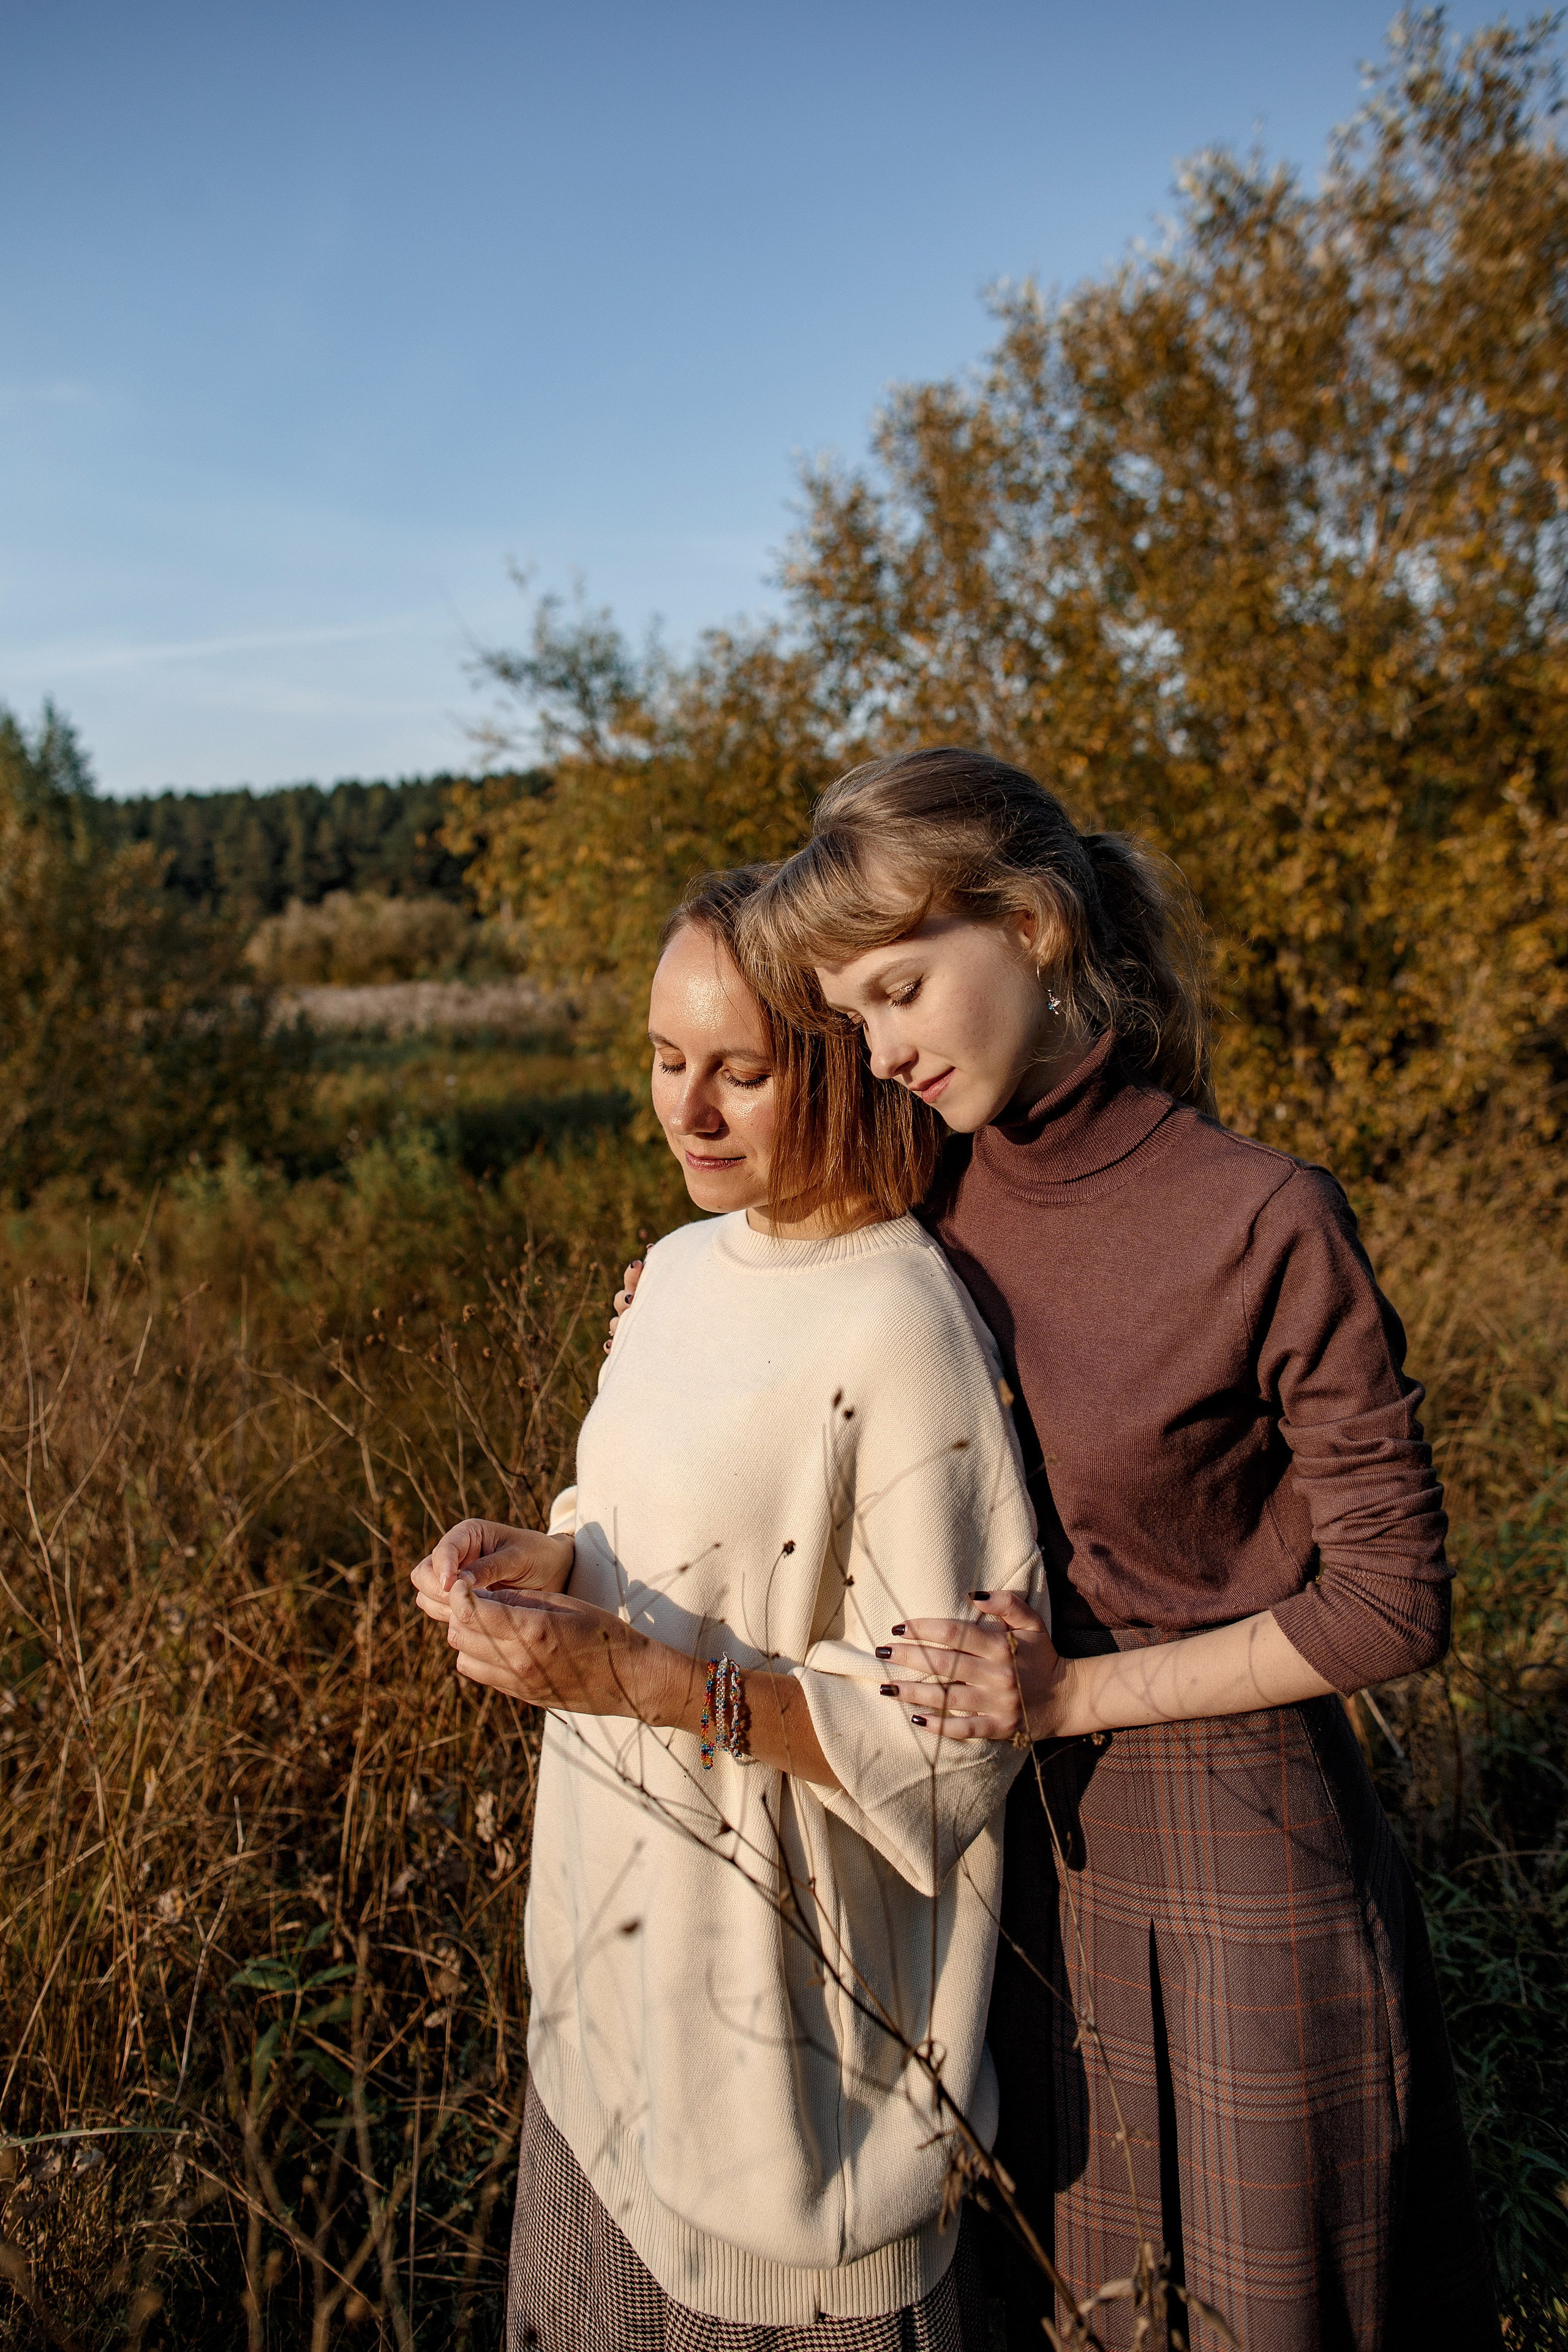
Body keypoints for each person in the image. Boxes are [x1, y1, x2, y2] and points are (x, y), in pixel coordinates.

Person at [722, 748, 1499, 2352]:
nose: (879, 1052)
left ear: (1034, 923)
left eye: (901, 991)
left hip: (1236, 1871)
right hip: (989, 1885)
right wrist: (685, 1323)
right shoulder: (915, 1207)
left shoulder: (1261, 1218)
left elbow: (1393, 1601)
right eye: (853, 1017)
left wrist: (1065, 1697)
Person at [411, 866, 1043, 2352]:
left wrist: (635, 1676)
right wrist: (535, 1564)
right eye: (661, 1059)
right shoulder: (685, 1269)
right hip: (606, 2022)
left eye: (738, 1074)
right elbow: (625, 1533)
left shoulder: (901, 1325)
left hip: (789, 2111)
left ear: (830, 1063)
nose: (685, 1112)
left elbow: (950, 1740)